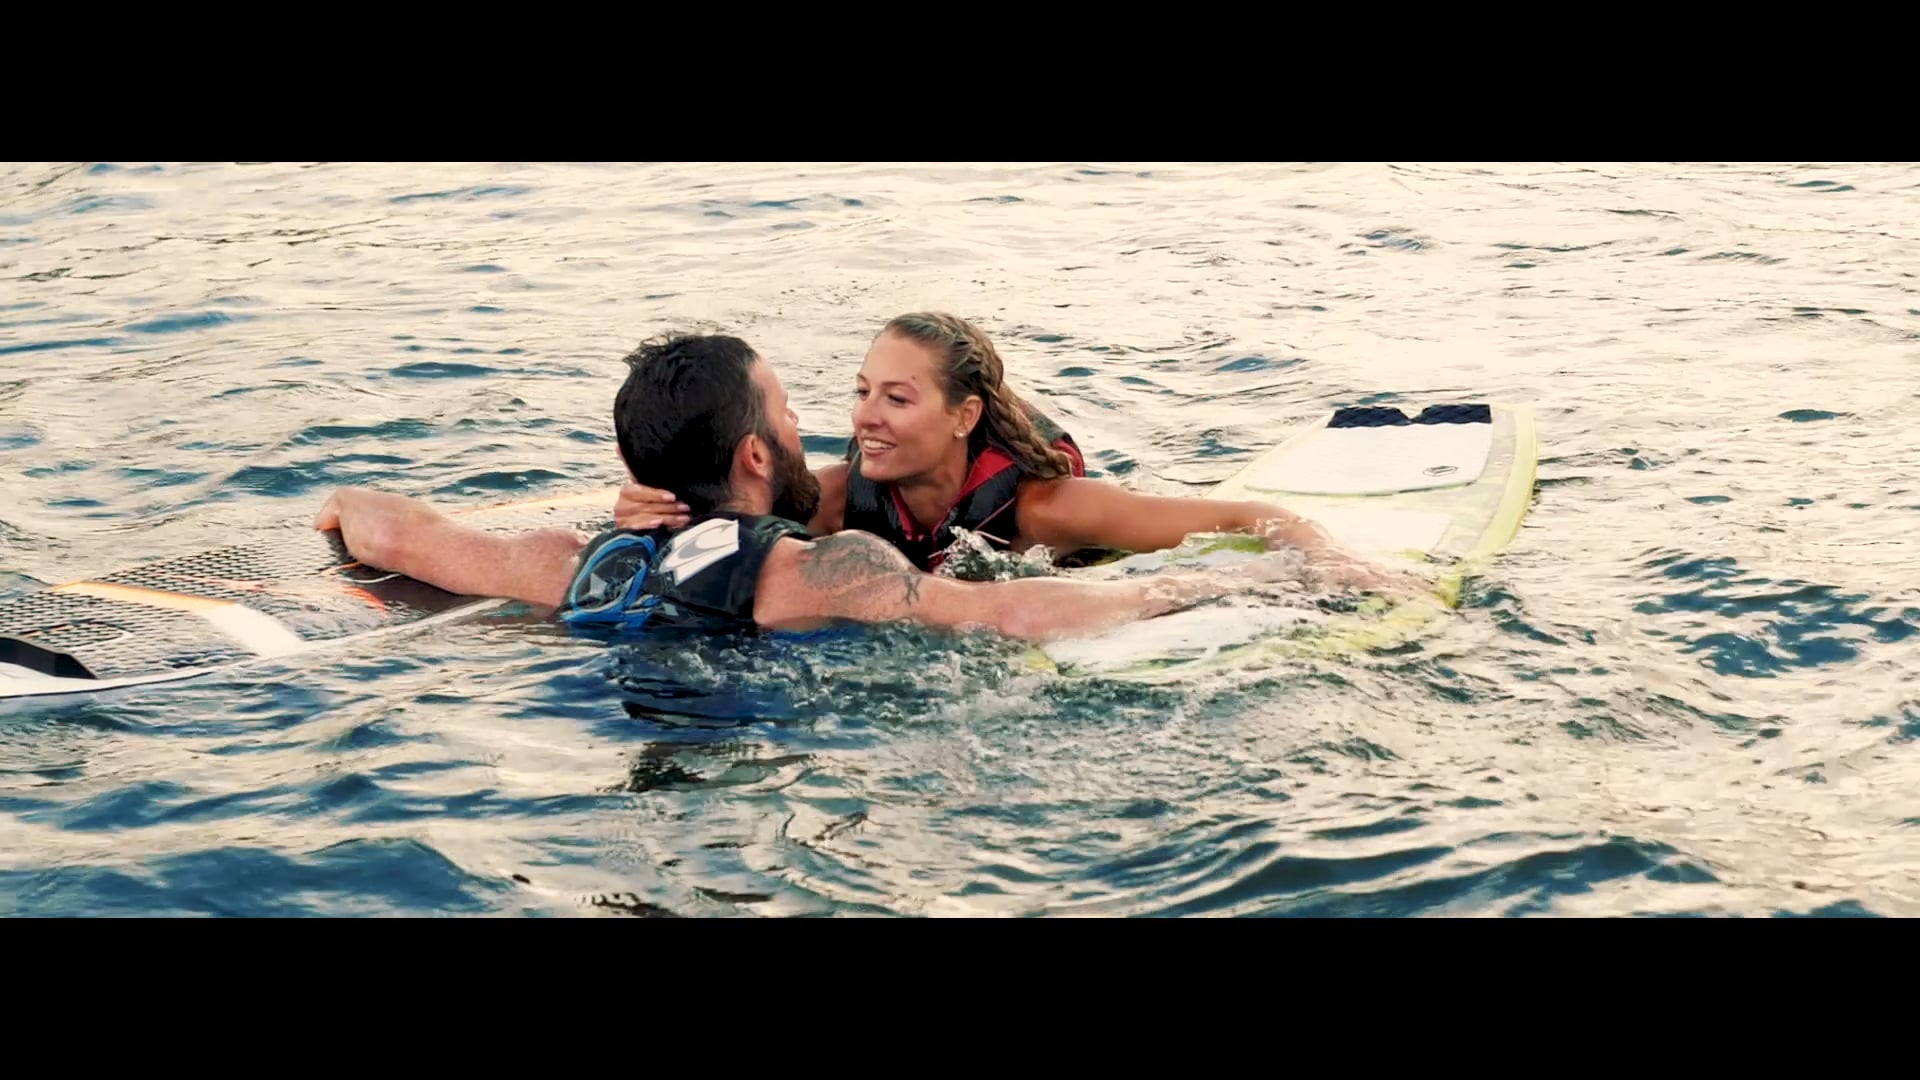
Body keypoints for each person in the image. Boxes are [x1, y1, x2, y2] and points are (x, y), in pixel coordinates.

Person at [314, 332, 1414, 645]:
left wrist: (630, 516)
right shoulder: (823, 570)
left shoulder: (566, 563)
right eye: (808, 407)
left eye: (894, 397)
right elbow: (1016, 611)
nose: (841, 423)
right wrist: (1222, 593)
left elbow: (372, 517)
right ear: (754, 459)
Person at [613, 311, 1365, 578]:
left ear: (964, 417)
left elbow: (1244, 518)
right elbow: (733, 530)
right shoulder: (845, 494)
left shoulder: (1047, 510)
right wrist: (648, 514)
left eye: (898, 398)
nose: (866, 416)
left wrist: (1335, 564)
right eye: (862, 389)